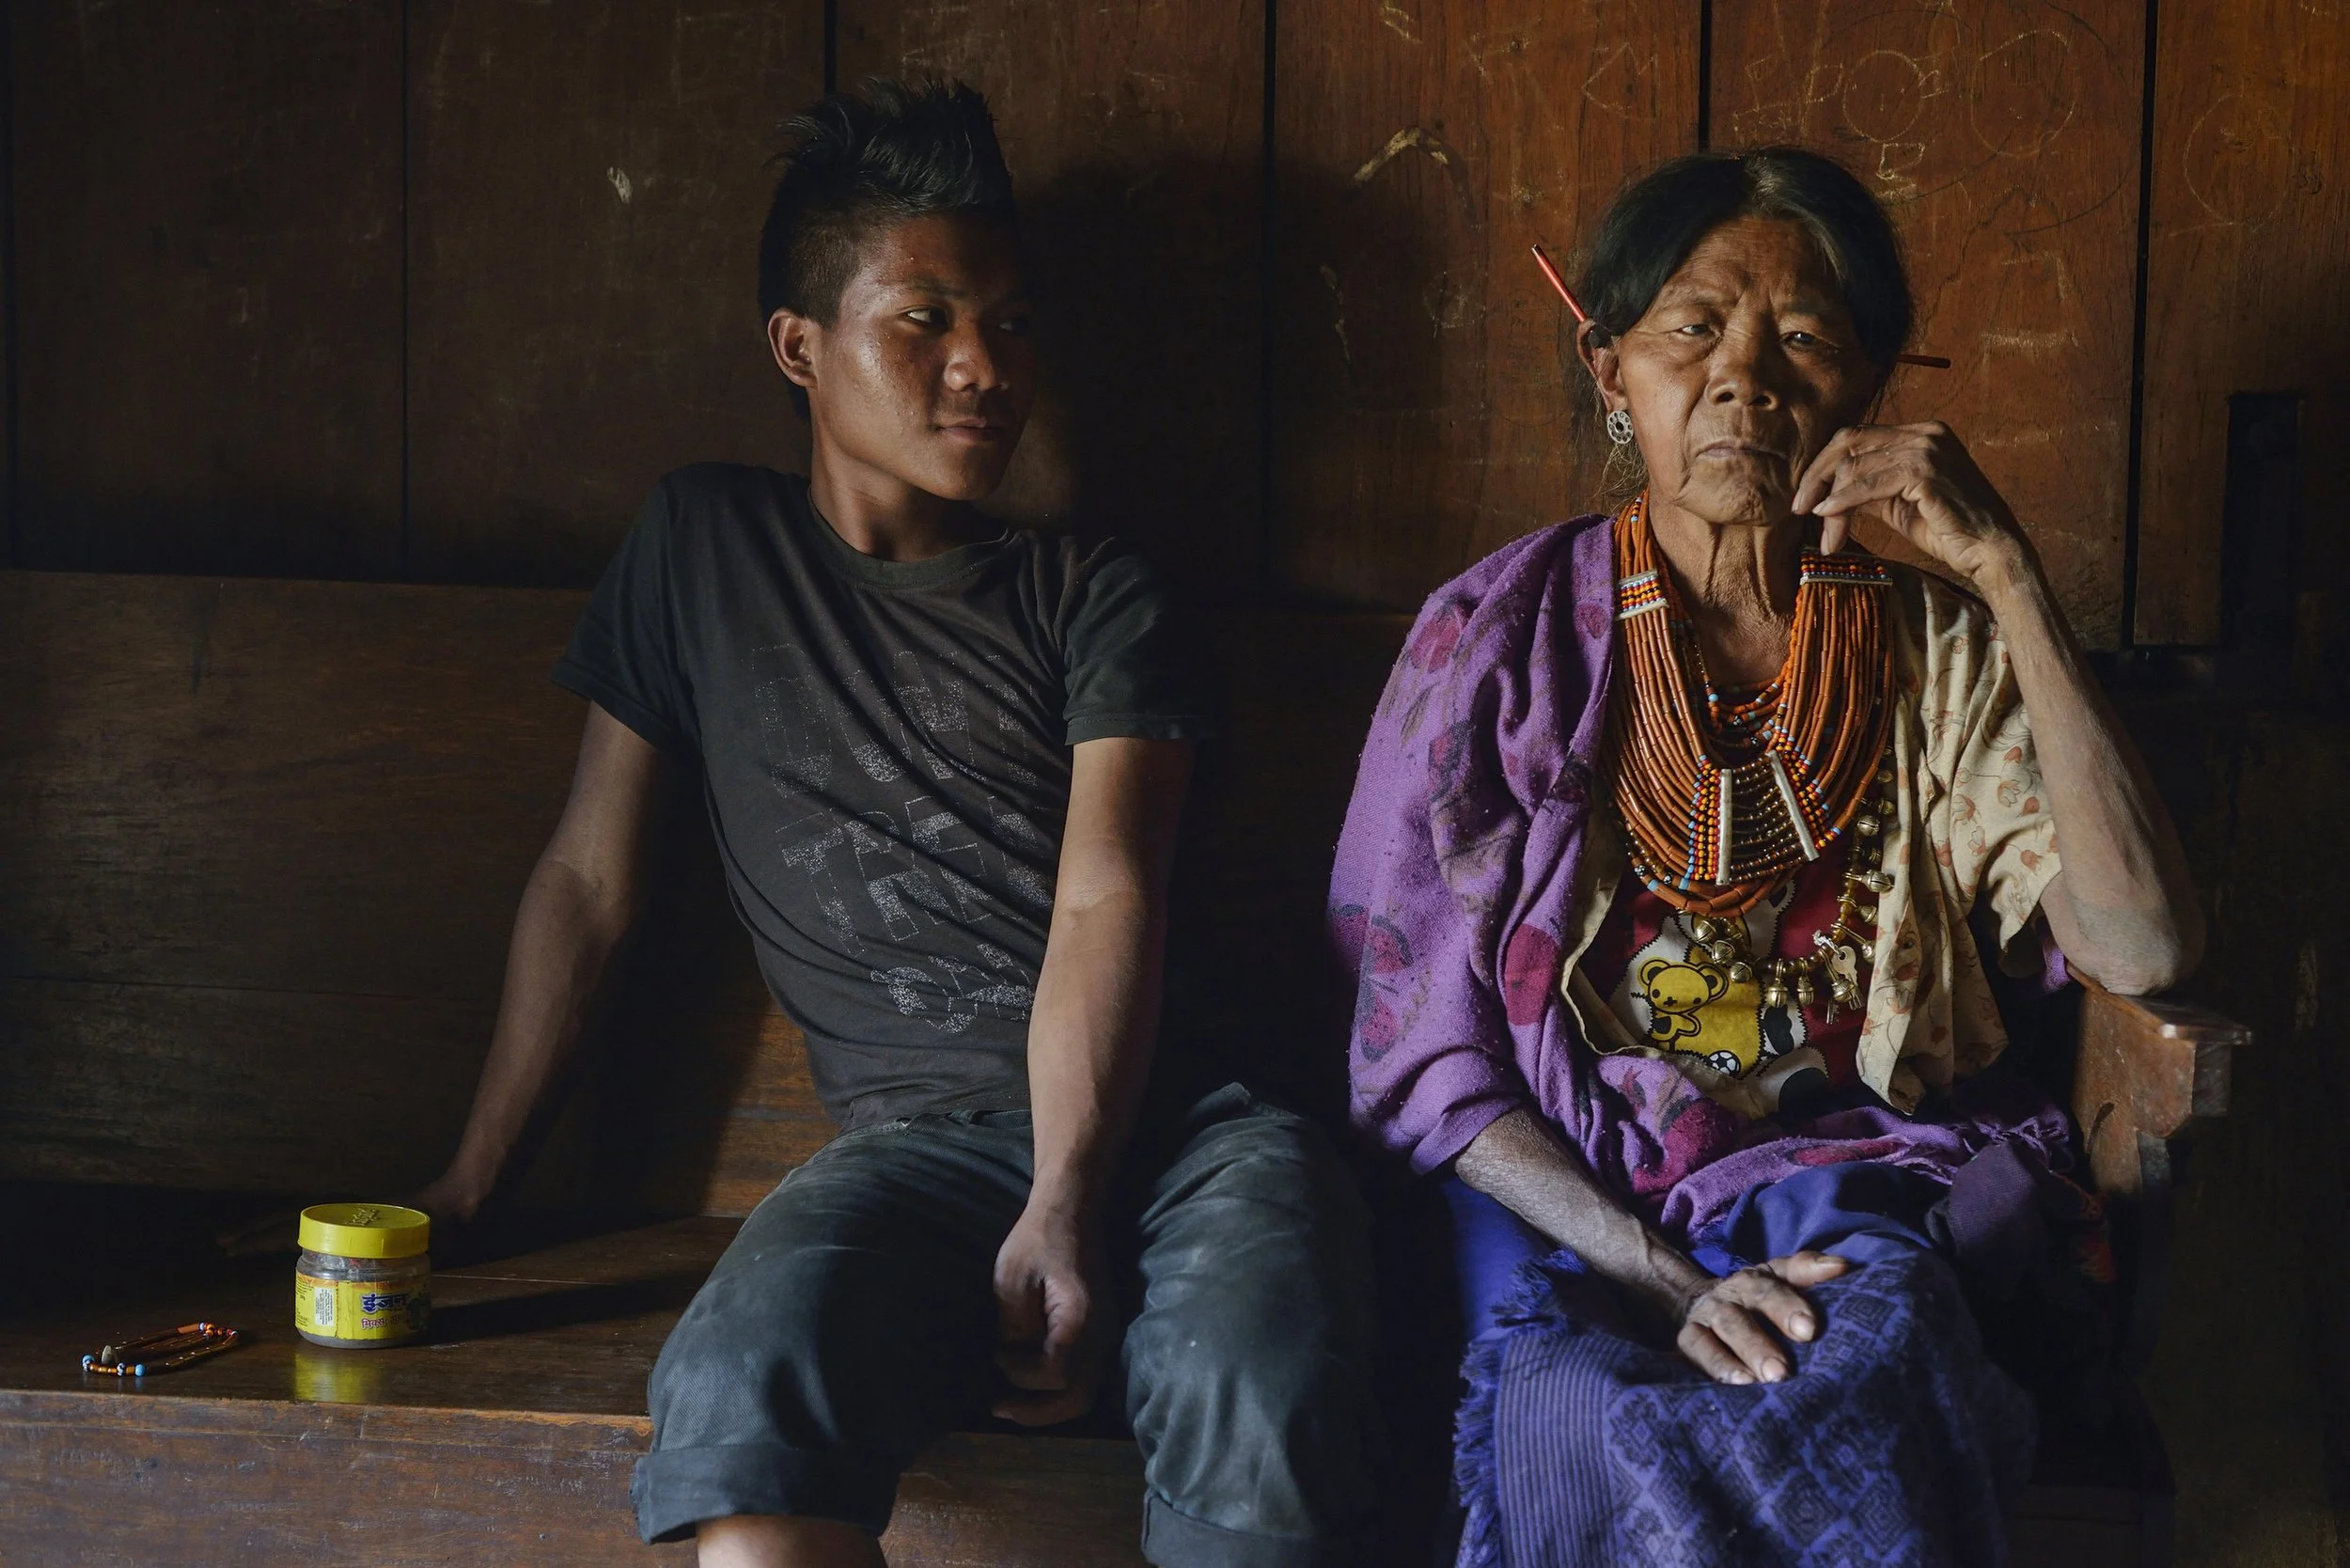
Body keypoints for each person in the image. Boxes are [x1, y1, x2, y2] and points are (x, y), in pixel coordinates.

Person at [415, 79, 1384, 1568]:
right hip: (917, 1152)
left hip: (1191, 1137)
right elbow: (589, 881)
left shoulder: (1095, 595)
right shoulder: (698, 549)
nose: (982, 368)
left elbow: (1104, 898)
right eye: (922, 322)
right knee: (741, 1391)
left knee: (1256, 1385)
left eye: (1009, 323)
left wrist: (1066, 1200)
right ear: (798, 350)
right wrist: (466, 1192)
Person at [1327, 148, 2202, 1566]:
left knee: (1853, 1383)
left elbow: (2148, 950)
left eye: (1804, 337)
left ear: (1864, 394)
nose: (1746, 377)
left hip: (1866, 1187)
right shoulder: (1495, 642)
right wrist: (1662, 1277)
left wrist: (2007, 575)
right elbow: (1420, 1059)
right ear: (1612, 370)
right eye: (1693, 326)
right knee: (1582, 1410)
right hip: (1577, 1204)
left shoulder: (1938, 650)